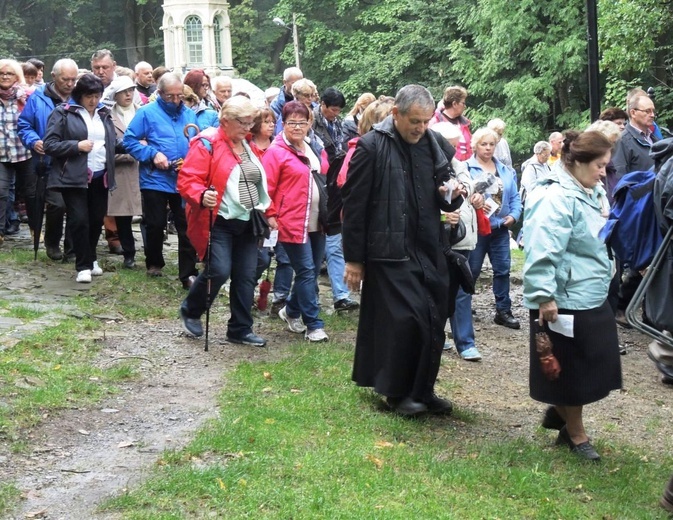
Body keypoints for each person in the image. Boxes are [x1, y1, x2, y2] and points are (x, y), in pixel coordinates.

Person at [342, 84, 465, 416]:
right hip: (389, 250)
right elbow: (354, 206)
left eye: (426, 121)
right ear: (396, 114)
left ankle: (423, 391)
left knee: (433, 318)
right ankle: (396, 392)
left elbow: (446, 191)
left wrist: (452, 194)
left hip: (429, 247)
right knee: (405, 321)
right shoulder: (371, 147)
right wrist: (354, 258)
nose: (420, 128)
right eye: (414, 121)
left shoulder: (434, 144)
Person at [523, 130, 622, 461]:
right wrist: (543, 296)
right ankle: (575, 434)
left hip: (592, 292)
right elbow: (541, 248)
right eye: (599, 165)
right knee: (573, 372)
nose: (603, 173)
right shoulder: (554, 198)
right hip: (563, 300)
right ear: (578, 162)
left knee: (598, 364)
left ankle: (560, 410)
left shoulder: (592, 191)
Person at [177, 96, 271, 346]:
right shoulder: (207, 143)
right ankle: (191, 310)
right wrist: (201, 194)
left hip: (248, 219)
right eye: (243, 122)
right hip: (219, 219)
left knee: (246, 274)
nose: (248, 128)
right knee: (219, 270)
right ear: (225, 120)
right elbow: (188, 180)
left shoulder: (247, 144)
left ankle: (240, 328)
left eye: (251, 123)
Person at [123, 72, 199, 288]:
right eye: (170, 97)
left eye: (179, 96)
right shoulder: (147, 113)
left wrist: (191, 159)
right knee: (155, 223)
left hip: (183, 178)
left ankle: (188, 273)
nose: (175, 101)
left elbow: (197, 142)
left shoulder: (189, 114)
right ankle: (154, 262)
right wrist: (153, 155)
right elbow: (129, 140)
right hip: (154, 178)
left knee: (186, 225)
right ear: (160, 93)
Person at [262, 101, 330, 342]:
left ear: (309, 123)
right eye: (292, 122)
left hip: (317, 219)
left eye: (302, 122)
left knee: (308, 272)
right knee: (306, 271)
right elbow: (266, 187)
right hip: (291, 220)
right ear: (284, 123)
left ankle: (290, 310)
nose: (297, 127)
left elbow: (324, 174)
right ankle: (314, 324)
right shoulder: (276, 151)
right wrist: (270, 214)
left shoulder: (315, 146)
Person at [43, 73, 120, 283]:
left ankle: (92, 257)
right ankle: (83, 265)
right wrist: (76, 146)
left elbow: (111, 142)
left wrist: (135, 146)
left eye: (97, 95)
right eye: (89, 96)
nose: (93, 100)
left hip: (100, 175)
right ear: (79, 95)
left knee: (96, 219)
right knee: (79, 220)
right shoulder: (63, 113)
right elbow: (49, 144)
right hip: (73, 176)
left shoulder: (104, 114)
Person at [432, 122, 485, 361]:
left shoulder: (461, 166)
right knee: (439, 291)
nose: (455, 150)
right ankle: (438, 336)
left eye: (456, 145)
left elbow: (468, 195)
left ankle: (465, 342)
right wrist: (443, 216)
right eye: (450, 146)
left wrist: (478, 199)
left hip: (466, 239)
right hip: (442, 241)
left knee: (463, 289)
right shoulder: (429, 168)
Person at [18, 58, 79, 261]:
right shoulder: (37, 98)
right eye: (65, 79)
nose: (70, 84)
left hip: (75, 161)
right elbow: (24, 125)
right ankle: (52, 243)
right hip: (48, 163)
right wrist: (34, 141)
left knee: (75, 207)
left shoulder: (79, 98)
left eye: (73, 79)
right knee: (57, 204)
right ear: (53, 77)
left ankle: (72, 248)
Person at [467, 127, 522, 329]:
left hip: (500, 229)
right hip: (478, 229)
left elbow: (515, 198)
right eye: (484, 144)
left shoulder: (506, 171)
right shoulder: (466, 168)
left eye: (492, 144)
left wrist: (514, 216)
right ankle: (462, 308)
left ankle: (503, 310)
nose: (488, 148)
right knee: (470, 270)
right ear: (475, 145)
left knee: (502, 270)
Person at [105, 75, 142, 269]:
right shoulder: (107, 117)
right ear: (115, 94)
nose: (128, 94)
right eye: (123, 91)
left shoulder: (143, 113)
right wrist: (129, 155)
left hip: (145, 170)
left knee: (152, 216)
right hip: (121, 173)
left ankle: (153, 255)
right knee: (123, 216)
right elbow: (104, 149)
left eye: (131, 90)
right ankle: (129, 254)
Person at [0, 59, 32, 246]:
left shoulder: (26, 96)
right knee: (1, 193)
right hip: (2, 153)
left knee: (31, 193)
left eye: (9, 73)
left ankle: (36, 231)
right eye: (2, 73)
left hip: (25, 152)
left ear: (16, 76)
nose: (5, 76)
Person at [429, 85, 472, 160]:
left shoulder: (465, 123)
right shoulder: (435, 123)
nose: (465, 106)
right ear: (454, 104)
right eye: (463, 103)